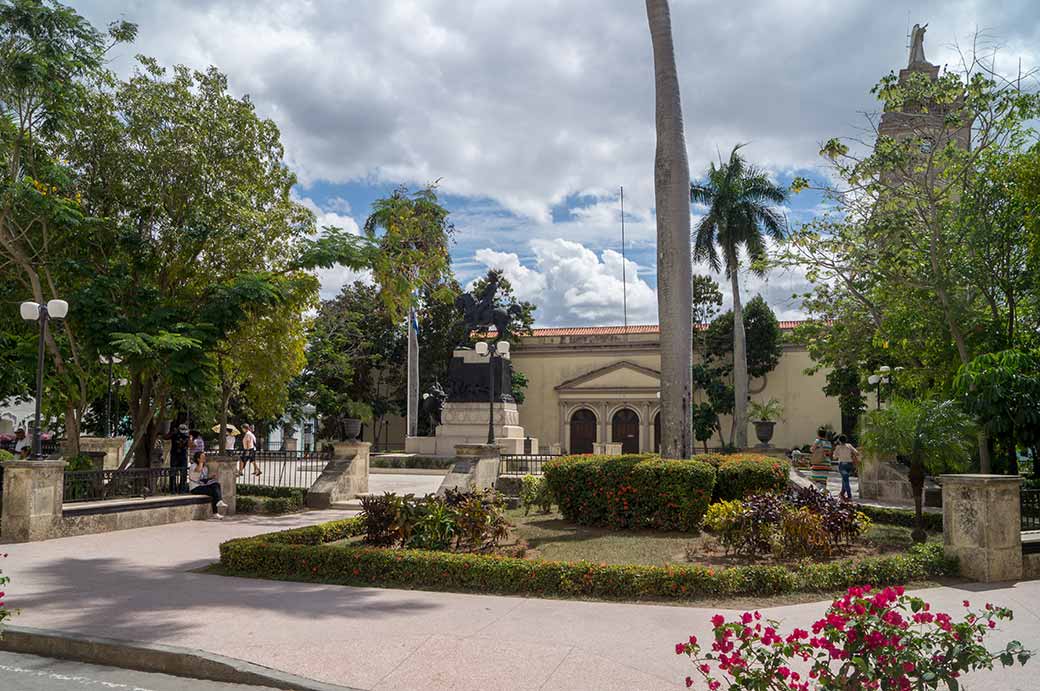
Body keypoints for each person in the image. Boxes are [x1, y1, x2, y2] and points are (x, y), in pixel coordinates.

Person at [188, 451, 228, 517]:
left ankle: (219, 501)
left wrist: (210, 478)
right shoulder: (193, 465)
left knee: (216, 485)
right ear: (198, 459)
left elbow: (204, 480)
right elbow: (198, 470)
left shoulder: (205, 468)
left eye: (204, 457)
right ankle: (215, 512)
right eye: (202, 457)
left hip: (202, 486)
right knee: (213, 492)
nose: (204, 458)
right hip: (195, 488)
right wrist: (201, 462)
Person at [833, 435, 860, 501]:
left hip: (842, 465)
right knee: (844, 478)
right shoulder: (849, 446)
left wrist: (839, 455)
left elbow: (834, 457)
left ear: (839, 440)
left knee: (845, 480)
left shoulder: (838, 447)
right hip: (849, 464)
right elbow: (857, 453)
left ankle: (849, 495)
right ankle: (842, 493)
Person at [168, 423, 190, 492]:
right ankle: (172, 489)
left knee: (183, 472)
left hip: (183, 455)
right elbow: (167, 437)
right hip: (175, 455)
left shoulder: (186, 436)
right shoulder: (175, 435)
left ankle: (182, 489)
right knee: (173, 472)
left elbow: (187, 444)